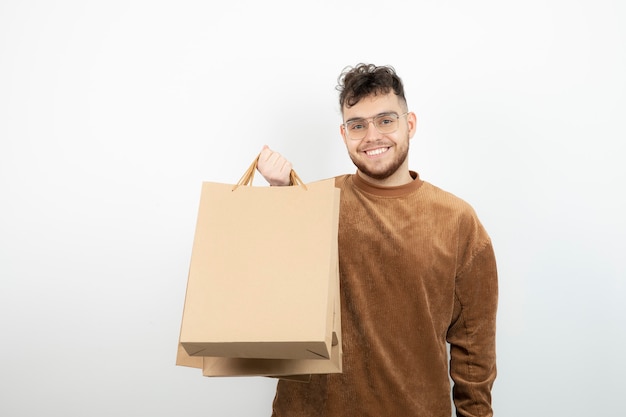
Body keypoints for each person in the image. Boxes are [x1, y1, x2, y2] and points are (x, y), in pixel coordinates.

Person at [257, 63, 498, 417]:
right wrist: (281, 197)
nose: (372, 136)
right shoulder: (313, 203)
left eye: (385, 120)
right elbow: (271, 287)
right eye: (358, 125)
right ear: (344, 134)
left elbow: (474, 350)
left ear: (409, 124)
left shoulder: (458, 221)